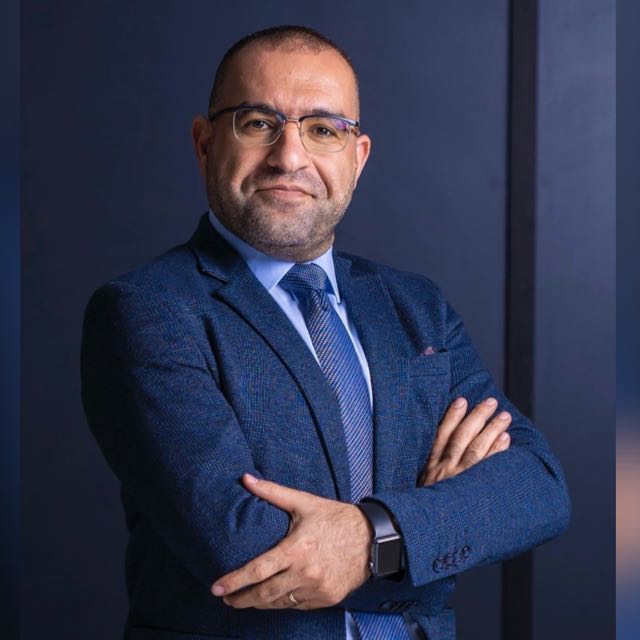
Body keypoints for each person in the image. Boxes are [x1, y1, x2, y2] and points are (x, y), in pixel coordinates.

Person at [80, 25, 570, 640]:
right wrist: (436, 535)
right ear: (204, 144)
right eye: (258, 123)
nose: (289, 157)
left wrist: (374, 537)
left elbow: (538, 487)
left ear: (357, 157)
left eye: (323, 129)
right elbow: (243, 549)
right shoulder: (148, 311)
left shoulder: (416, 307)